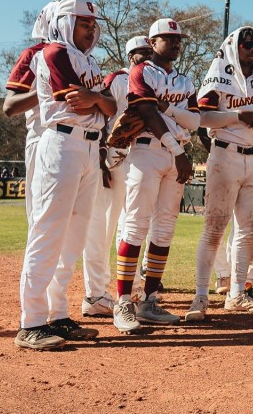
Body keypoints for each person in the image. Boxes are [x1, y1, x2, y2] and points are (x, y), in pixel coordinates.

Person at [16, 0, 116, 350]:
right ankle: (30, 322)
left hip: (89, 148)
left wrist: (97, 99)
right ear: (63, 23)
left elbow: (110, 107)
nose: (90, 29)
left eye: (92, 24)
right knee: (48, 230)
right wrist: (97, 99)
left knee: (74, 236)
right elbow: (76, 98)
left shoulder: (88, 60)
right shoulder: (55, 53)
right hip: (60, 145)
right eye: (82, 23)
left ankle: (58, 314)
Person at [111, 19, 197, 332]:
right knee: (135, 225)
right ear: (152, 41)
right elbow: (147, 112)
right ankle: (123, 302)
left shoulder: (184, 80)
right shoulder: (141, 71)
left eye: (178, 39)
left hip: (175, 154)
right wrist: (177, 150)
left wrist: (172, 113)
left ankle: (149, 300)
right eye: (168, 38)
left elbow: (194, 121)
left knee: (164, 230)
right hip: (146, 152)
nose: (175, 43)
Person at [186, 26, 253, 320]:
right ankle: (200, 297)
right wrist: (240, 116)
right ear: (233, 48)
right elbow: (203, 116)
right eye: (247, 44)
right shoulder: (220, 75)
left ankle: (236, 294)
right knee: (214, 228)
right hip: (225, 154)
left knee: (247, 231)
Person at [80, 36, 153, 319]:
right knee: (104, 226)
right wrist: (100, 157)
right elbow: (99, 118)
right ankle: (95, 293)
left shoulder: (157, 83)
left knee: (134, 225)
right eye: (139, 53)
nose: (144, 57)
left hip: (144, 158)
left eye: (148, 52)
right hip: (114, 158)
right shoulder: (117, 80)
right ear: (129, 55)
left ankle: (132, 287)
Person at [3, 0, 60, 224]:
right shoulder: (34, 54)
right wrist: (49, 90)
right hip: (42, 135)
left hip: (79, 144)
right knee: (41, 214)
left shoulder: (84, 59)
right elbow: (10, 106)